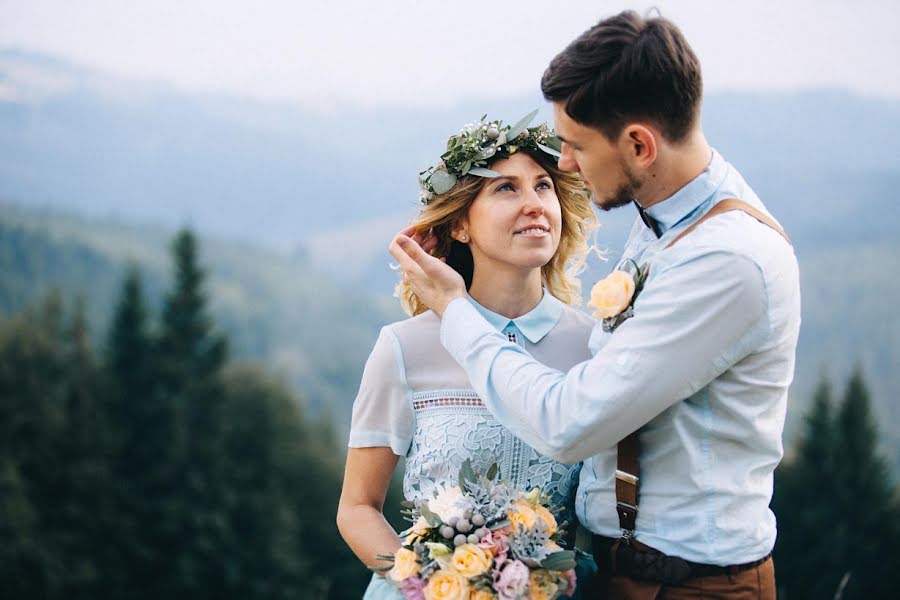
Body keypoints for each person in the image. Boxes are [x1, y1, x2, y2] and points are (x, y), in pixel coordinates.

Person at [388, 10, 800, 600]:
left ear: (638, 144)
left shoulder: (727, 260)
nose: (567, 165)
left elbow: (569, 422)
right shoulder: (665, 220)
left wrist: (456, 311)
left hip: (694, 587)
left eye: (576, 145)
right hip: (620, 575)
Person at [336, 113, 598, 598]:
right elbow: (357, 507)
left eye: (543, 186)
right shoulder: (404, 346)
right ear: (460, 225)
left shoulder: (595, 345)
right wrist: (425, 585)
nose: (534, 204)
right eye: (506, 189)